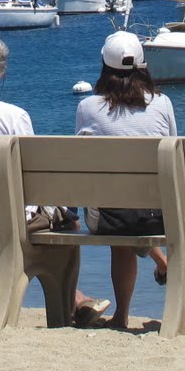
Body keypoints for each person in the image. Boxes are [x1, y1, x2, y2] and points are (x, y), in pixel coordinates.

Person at [0, 31, 109, 326]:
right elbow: (32, 181)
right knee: (69, 222)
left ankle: (75, 300)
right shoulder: (13, 116)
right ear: (0, 73)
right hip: (8, 218)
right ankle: (67, 308)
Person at [75, 30, 177, 330]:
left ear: (104, 67)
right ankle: (164, 279)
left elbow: (82, 165)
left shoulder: (87, 107)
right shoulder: (163, 104)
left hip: (107, 218)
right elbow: (174, 155)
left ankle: (121, 316)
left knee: (118, 210)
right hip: (161, 217)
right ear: (143, 67)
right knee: (136, 206)